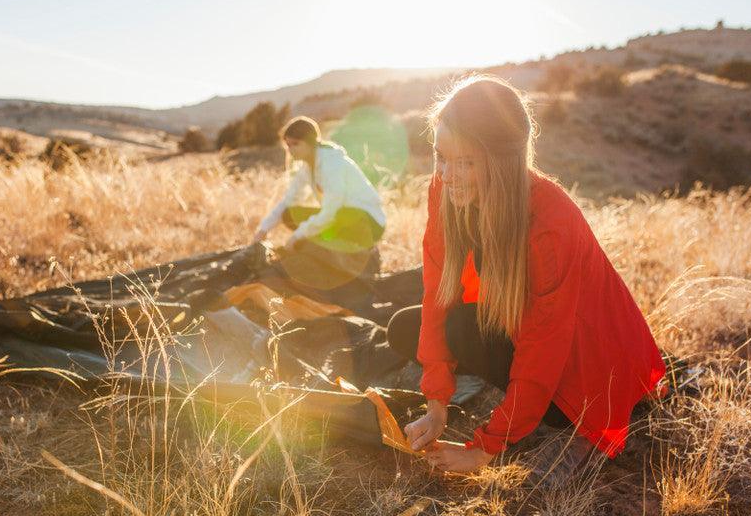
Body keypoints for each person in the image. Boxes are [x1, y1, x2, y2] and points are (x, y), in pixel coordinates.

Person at [387, 75, 666, 475]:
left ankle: (576, 426)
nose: (447, 174)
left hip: (582, 358)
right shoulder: (445, 189)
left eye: (465, 161)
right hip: (520, 324)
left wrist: (482, 449)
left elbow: (544, 347)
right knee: (406, 325)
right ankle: (512, 404)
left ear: (501, 162)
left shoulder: (549, 221)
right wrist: (436, 407)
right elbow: (437, 293)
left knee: (557, 413)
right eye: (441, 156)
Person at [253, 116, 386, 291]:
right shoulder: (307, 167)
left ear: (310, 143)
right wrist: (263, 229)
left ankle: (353, 254)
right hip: (341, 219)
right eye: (288, 145)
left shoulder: (331, 162)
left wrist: (298, 236)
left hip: (367, 222)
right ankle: (326, 247)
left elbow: (332, 211)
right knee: (289, 213)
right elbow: (288, 200)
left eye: (295, 144)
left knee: (337, 216)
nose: (291, 150)